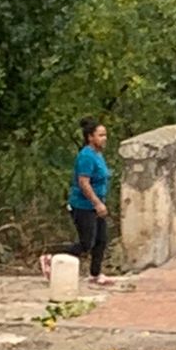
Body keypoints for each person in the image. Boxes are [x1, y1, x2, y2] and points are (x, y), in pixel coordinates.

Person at [42, 117, 114, 287]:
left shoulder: (98, 155)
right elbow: (83, 182)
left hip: (97, 204)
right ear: (90, 137)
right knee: (86, 243)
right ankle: (52, 257)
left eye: (105, 135)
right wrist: (96, 203)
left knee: (101, 240)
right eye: (100, 135)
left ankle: (95, 273)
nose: (104, 138)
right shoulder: (86, 156)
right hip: (83, 206)